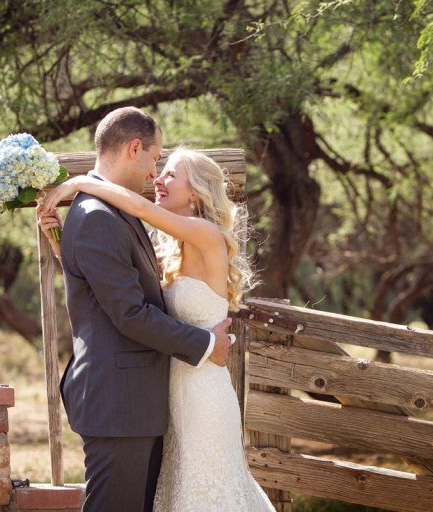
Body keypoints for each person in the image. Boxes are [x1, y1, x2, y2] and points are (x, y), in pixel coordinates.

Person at [40, 140, 274, 511]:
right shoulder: (164, 245)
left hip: (203, 395)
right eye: (158, 168)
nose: (157, 178)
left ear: (195, 192)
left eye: (169, 173)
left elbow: (136, 205)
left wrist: (80, 183)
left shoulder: (205, 234)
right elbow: (115, 282)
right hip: (166, 395)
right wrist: (60, 243)